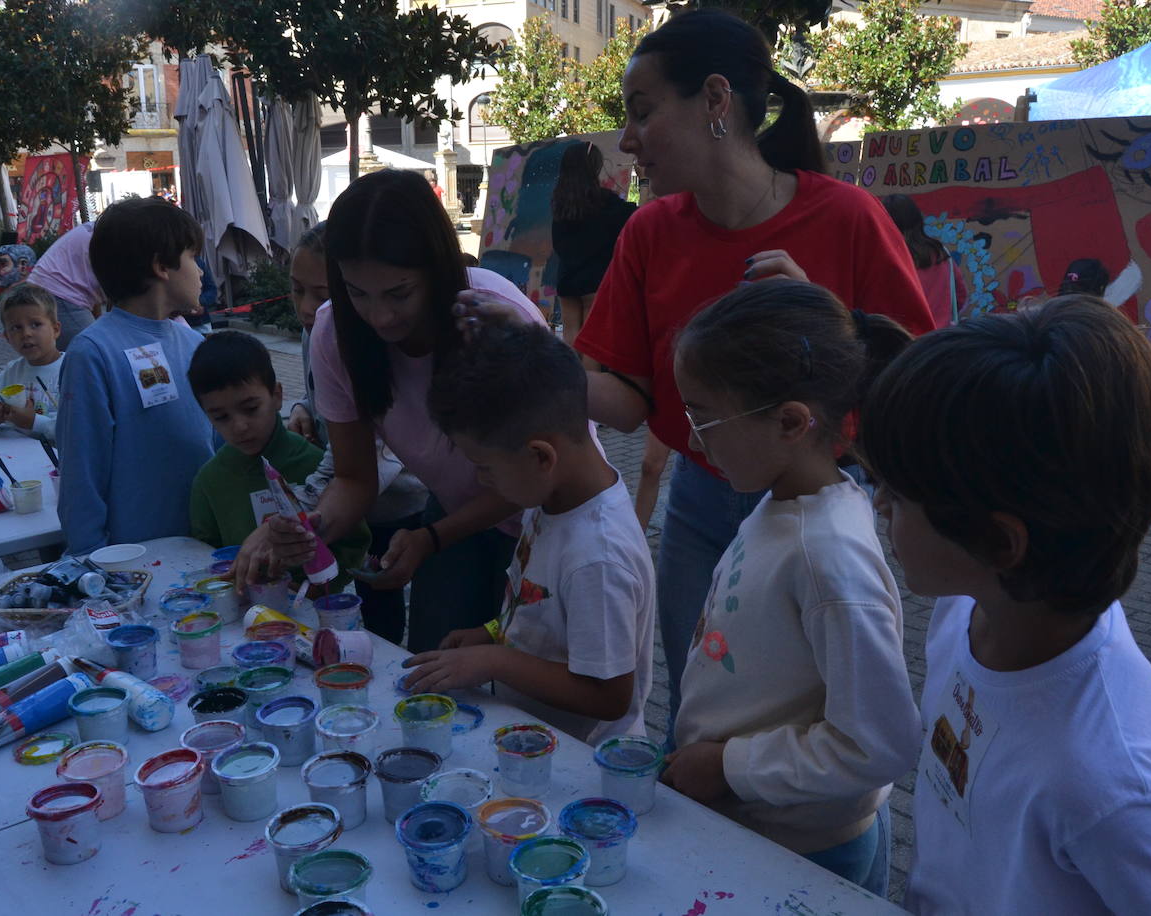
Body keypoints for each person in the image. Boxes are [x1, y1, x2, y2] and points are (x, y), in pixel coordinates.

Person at [570, 9, 934, 737]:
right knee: (700, 716)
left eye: (642, 112)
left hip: (822, 503)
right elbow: (627, 402)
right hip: (702, 507)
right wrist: (533, 357)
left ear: (714, 100)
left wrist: (822, 319)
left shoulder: (849, 219)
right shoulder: (648, 233)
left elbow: (921, 389)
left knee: (820, 719)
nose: (629, 139)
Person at [861, 297, 1151, 913]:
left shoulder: (1113, 784)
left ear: (999, 542)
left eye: (899, 492)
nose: (879, 503)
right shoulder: (968, 611)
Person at [661, 280, 919, 895]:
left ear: (791, 422)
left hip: (800, 853)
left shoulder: (828, 554)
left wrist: (728, 766)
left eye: (706, 418)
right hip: (755, 828)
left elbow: (879, 745)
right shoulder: (785, 502)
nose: (695, 440)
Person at [273, 169, 546, 654]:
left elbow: (544, 474)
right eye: (356, 292)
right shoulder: (335, 334)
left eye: (399, 293)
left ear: (436, 270)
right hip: (454, 515)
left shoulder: (493, 317)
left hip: (544, 519)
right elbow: (355, 479)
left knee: (530, 680)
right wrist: (309, 529)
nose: (378, 318)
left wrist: (432, 538)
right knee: (432, 665)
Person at [403, 322, 655, 744]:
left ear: (540, 456)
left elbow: (610, 696)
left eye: (484, 466)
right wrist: (490, 633)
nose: (481, 482)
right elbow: (539, 603)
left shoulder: (598, 557)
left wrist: (495, 661)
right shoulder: (550, 499)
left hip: (583, 763)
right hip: (534, 736)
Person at [282, 222, 429, 643]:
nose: (307, 308)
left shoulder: (375, 340)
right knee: (373, 602)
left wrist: (305, 509)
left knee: (414, 609)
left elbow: (371, 448)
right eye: (296, 290)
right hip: (354, 505)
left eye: (322, 295)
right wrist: (302, 408)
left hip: (403, 503)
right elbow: (330, 397)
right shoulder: (317, 333)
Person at [55, 197, 213, 555]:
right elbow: (82, 472)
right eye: (192, 257)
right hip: (131, 560)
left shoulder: (194, 343)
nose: (201, 270)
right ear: (161, 266)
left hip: (204, 549)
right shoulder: (92, 352)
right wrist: (91, 560)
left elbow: (220, 446)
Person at [186, 331, 370, 592]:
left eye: (250, 409)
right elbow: (204, 554)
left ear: (277, 395)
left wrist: (315, 587)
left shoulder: (317, 466)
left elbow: (355, 544)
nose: (239, 426)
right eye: (221, 417)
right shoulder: (208, 482)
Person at [550, 142, 637, 364]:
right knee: (591, 341)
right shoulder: (605, 201)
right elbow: (634, 217)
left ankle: (570, 382)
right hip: (594, 281)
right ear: (595, 167)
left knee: (570, 336)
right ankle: (590, 390)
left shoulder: (560, 201)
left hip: (567, 278)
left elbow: (558, 241)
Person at [0, 283, 65, 442]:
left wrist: (35, 422)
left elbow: (80, 428)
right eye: (16, 328)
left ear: (55, 329)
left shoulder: (73, 370)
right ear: (7, 337)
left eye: (36, 324)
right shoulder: (14, 371)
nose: (26, 333)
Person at [882, 193, 966, 328]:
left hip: (902, 340)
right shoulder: (941, 253)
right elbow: (960, 295)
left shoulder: (890, 257)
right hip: (938, 340)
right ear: (917, 219)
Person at [28, 222, 106, 350]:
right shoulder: (122, 233)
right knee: (93, 351)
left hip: (50, 285)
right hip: (60, 293)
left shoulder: (106, 227)